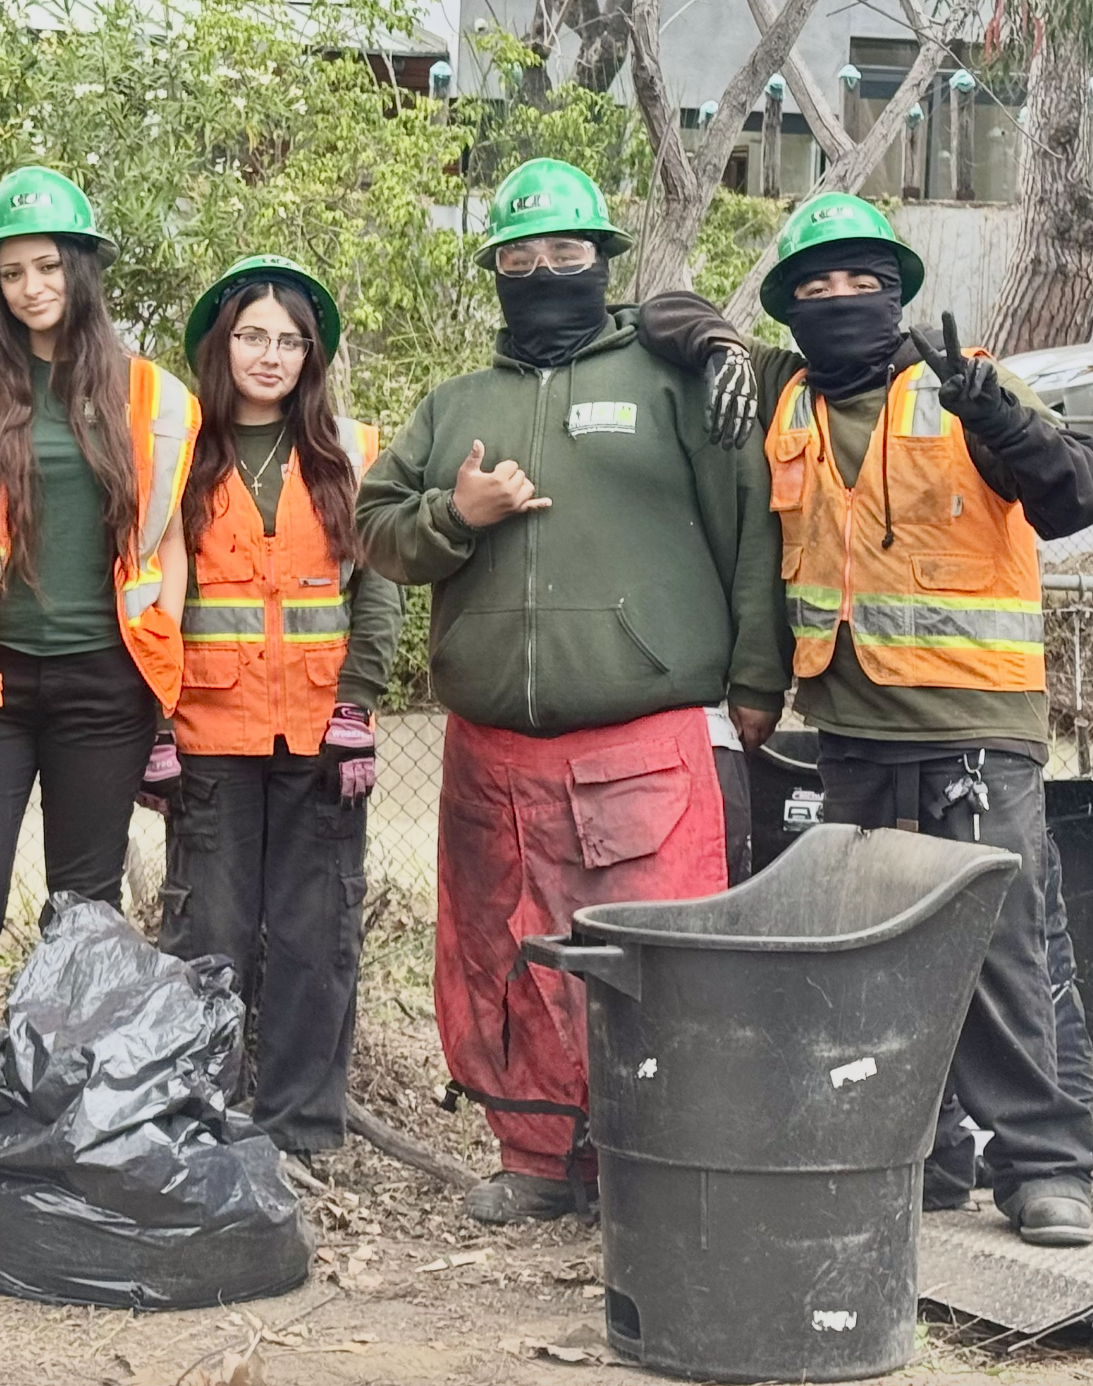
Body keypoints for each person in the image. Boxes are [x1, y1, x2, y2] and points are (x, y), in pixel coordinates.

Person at [637, 191, 1093, 1246]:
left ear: (897, 292)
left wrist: (1001, 416)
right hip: (849, 732)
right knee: (865, 951)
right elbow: (657, 313)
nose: (841, 299)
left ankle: (1044, 1168)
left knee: (993, 946)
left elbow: (1080, 497)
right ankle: (921, 1156)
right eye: (816, 285)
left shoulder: (964, 385)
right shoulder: (778, 388)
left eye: (862, 281)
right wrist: (717, 339)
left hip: (973, 725)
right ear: (788, 309)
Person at [354, 159, 789, 1225]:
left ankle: (654, 1159)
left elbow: (749, 528)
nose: (543, 271)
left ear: (603, 262)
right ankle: (537, 1161)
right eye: (520, 257)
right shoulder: (456, 405)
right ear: (494, 270)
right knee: (505, 953)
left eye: (566, 253)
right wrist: (456, 514)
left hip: (641, 733)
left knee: (651, 959)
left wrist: (756, 676)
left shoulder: (671, 379)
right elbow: (374, 532)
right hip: (490, 742)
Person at [0, 166, 198, 1196]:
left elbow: (174, 544)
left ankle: (72, 1113)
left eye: (46, 264)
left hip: (104, 686)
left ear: (83, 267)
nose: (29, 286)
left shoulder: (156, 397)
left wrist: (168, 667)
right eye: (10, 271)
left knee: (84, 913)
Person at [137, 255, 402, 1159]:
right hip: (210, 735)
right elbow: (147, 591)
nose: (270, 355)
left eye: (291, 341)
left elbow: (380, 590)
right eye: (252, 335)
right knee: (205, 934)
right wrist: (155, 724)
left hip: (322, 736)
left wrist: (359, 704)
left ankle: (300, 1130)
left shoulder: (353, 453)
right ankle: (197, 1122)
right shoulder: (178, 456)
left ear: (311, 357)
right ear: (222, 344)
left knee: (314, 934)